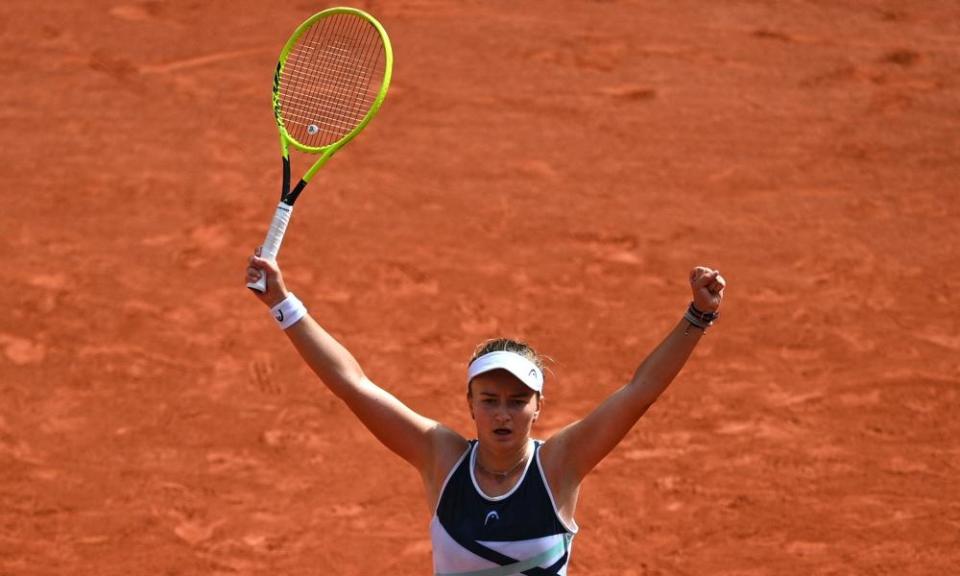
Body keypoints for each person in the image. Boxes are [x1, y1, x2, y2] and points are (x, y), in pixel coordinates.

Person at [245, 250, 725, 576]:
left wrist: (697, 316)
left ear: (538, 408)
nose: (503, 414)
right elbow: (353, 385)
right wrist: (283, 304)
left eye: (518, 401)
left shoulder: (561, 465)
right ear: (469, 404)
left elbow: (640, 391)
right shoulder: (440, 456)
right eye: (490, 400)